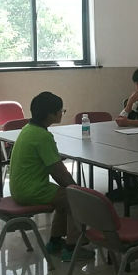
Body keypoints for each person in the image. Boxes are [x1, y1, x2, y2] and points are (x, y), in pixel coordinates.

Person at [8, 92, 84, 261]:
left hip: (20, 188)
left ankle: (55, 241)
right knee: (75, 198)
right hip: (32, 190)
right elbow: (59, 172)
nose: (61, 113)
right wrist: (77, 189)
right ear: (51, 114)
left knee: (63, 196)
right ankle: (73, 248)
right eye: (60, 110)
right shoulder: (43, 136)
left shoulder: (28, 129)